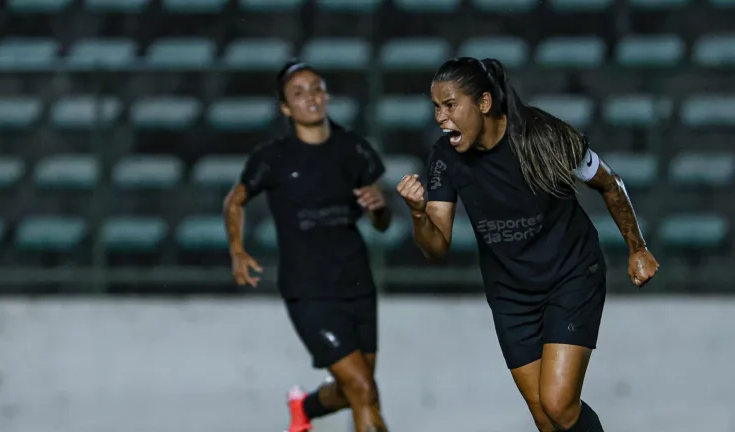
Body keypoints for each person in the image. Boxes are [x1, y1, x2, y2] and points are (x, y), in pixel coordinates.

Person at [397, 57, 659, 432]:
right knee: (545, 417)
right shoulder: (444, 157)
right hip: (510, 295)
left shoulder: (544, 136)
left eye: (450, 105)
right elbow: (436, 247)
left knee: (559, 404)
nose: (441, 117)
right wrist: (419, 214)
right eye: (436, 107)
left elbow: (609, 183)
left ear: (484, 103)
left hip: (570, 277)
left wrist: (637, 247)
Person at [223, 60, 392, 432]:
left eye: (316, 88)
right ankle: (307, 409)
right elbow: (234, 200)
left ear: (327, 95)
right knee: (362, 387)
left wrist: (380, 208)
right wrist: (237, 249)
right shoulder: (273, 157)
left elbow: (382, 223)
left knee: (359, 391)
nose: (310, 98)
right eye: (298, 94)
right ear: (286, 108)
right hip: (309, 291)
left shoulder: (354, 148)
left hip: (357, 282)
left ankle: (306, 408)